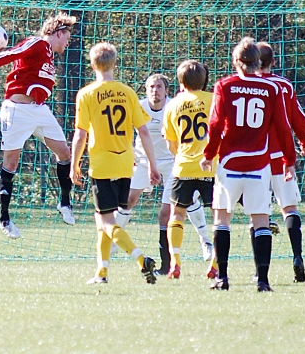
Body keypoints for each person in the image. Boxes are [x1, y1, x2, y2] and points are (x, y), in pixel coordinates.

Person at [201, 37, 296, 292]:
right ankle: (263, 281)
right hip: (259, 163)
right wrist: (289, 159)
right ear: (258, 62)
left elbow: (216, 124)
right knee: (261, 221)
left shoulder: (225, 85)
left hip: (230, 163)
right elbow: (283, 127)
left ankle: (222, 278)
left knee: (222, 219)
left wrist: (209, 154)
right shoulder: (272, 89)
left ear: (236, 62)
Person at [0, 12, 78, 238]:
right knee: (11, 162)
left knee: (64, 153)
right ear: (58, 33)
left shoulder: (49, 55)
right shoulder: (38, 43)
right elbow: (14, 52)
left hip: (39, 110)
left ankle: (65, 203)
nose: (68, 42)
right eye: (67, 37)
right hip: (17, 110)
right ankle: (4, 218)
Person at [70, 42, 161, 285]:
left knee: (106, 221)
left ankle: (141, 258)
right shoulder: (128, 92)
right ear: (115, 64)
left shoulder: (87, 94)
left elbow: (80, 135)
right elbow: (143, 131)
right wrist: (152, 164)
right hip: (125, 165)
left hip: (102, 164)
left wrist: (74, 164)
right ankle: (102, 272)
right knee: (103, 220)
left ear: (92, 65)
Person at [115, 74, 213, 275]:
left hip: (172, 162)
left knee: (169, 211)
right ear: (146, 89)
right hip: (143, 161)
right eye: (151, 86)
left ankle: (203, 241)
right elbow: (125, 131)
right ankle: (112, 241)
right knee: (128, 199)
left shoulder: (174, 106)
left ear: (166, 90)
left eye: (159, 87)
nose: (155, 90)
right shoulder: (139, 106)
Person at [257, 42, 305, 283]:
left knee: (257, 214)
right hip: (281, 157)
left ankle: (260, 271)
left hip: (254, 159)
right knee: (289, 208)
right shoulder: (284, 86)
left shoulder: (243, 85)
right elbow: (297, 117)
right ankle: (297, 257)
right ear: (274, 62)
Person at [161, 60, 216, 279]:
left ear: (180, 81)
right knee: (219, 218)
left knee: (176, 215)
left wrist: (180, 156)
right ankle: (214, 265)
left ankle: (175, 261)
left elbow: (170, 143)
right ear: (204, 80)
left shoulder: (173, 104)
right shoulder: (214, 100)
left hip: (183, 166)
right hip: (211, 167)